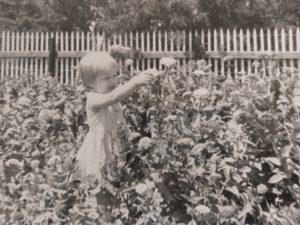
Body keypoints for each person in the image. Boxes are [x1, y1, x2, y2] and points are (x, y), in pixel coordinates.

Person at [68, 52, 155, 220]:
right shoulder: (93, 98)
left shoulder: (113, 96)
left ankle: (116, 215)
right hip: (99, 152)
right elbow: (113, 96)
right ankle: (103, 218)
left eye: (115, 76)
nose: (113, 81)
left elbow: (119, 118)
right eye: (106, 78)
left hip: (116, 148)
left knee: (118, 184)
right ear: (89, 83)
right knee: (101, 187)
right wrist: (135, 82)